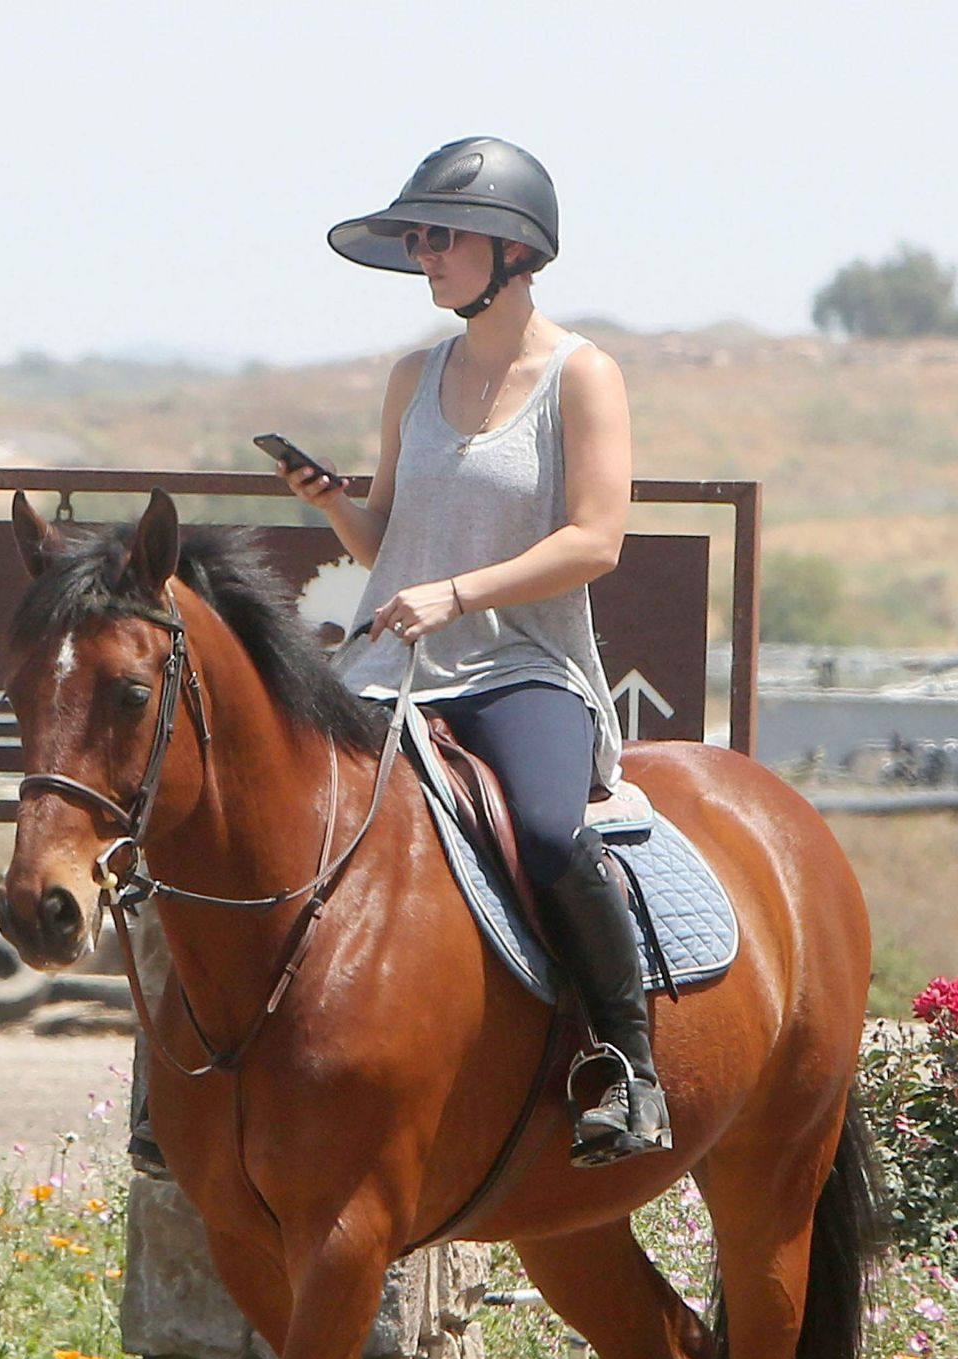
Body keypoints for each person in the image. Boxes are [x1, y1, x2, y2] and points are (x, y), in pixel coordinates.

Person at [279, 136, 670, 1166]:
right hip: (384, 672)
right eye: (415, 238)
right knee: (263, 813)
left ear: (514, 250)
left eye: (440, 236)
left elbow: (596, 541)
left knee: (546, 835)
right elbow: (387, 544)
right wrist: (332, 505)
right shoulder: (412, 376)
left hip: (521, 667)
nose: (423, 255)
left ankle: (628, 1068)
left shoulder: (584, 376)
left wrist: (457, 593)